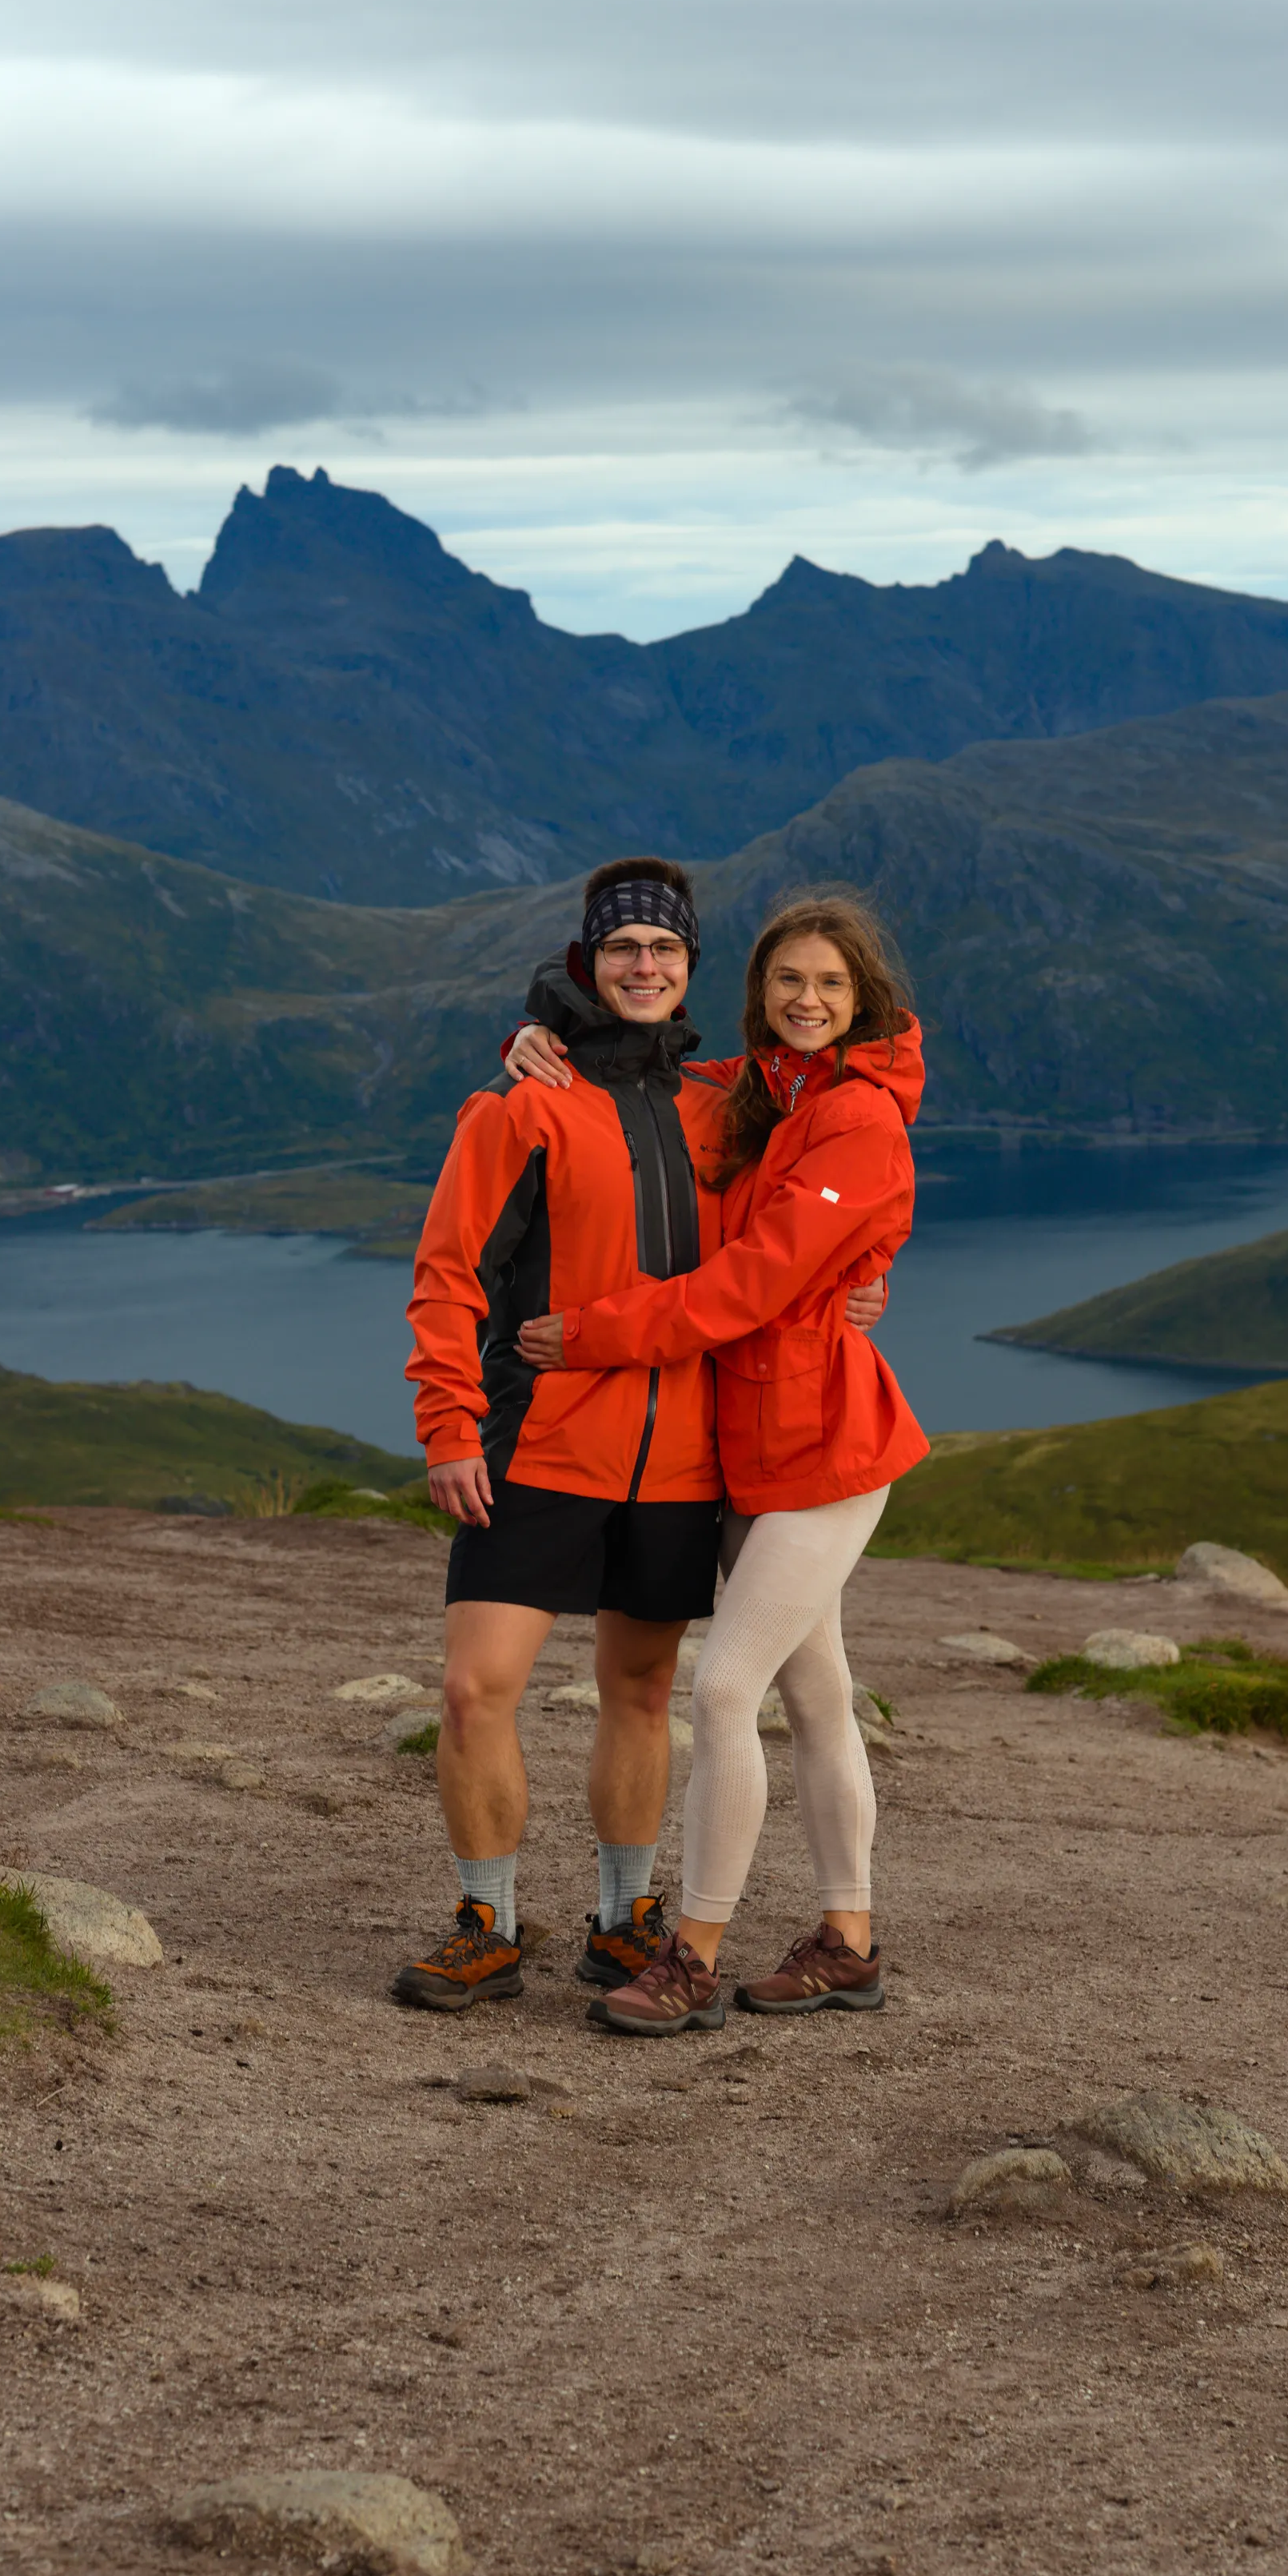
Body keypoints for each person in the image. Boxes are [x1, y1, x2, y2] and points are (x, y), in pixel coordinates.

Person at [396, 858, 888, 2013]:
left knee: (640, 1693)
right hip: (541, 1444)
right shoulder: (520, 1102)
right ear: (587, 961)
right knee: (477, 1688)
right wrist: (447, 1423)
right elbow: (447, 1273)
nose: (642, 966)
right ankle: (486, 1922)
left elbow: (806, 1233)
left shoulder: (730, 1109)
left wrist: (865, 1282)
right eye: (621, 948)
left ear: (689, 971)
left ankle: (626, 1923)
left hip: (681, 1462)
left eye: (664, 951)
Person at [506, 891, 927, 2033]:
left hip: (827, 1450)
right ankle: (848, 1941)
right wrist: (538, 1035)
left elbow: (751, 1287)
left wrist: (593, 1333)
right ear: (759, 995)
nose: (806, 999)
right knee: (820, 1695)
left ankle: (689, 1952)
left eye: (831, 985)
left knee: (727, 1687)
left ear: (864, 1000)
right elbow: (635, 1085)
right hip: (749, 1440)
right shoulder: (759, 1095)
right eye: (788, 981)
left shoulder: (859, 1122)